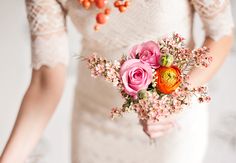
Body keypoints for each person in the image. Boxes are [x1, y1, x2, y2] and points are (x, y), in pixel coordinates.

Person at [0, 0, 234, 163]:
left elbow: (221, 34)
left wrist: (174, 100)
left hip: (172, 126)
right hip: (95, 121)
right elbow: (45, 82)